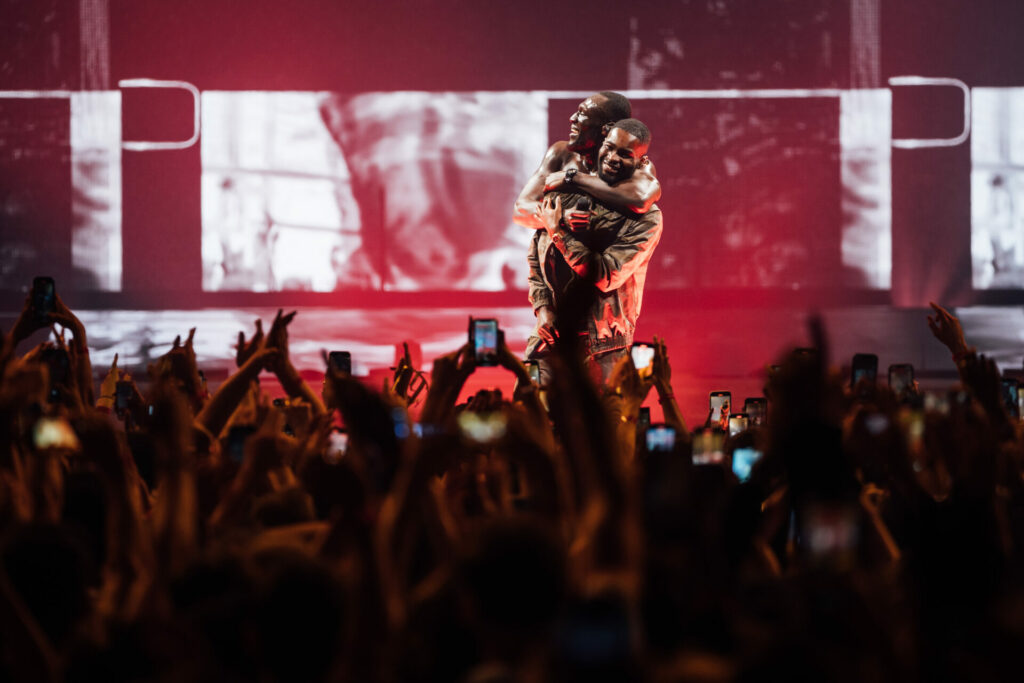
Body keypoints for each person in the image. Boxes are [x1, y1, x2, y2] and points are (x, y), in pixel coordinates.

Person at [525, 118, 663, 385]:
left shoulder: (646, 219)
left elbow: (605, 274)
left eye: (625, 154)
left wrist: (560, 233)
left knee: (598, 426)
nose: (612, 158)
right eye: (609, 147)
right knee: (531, 418)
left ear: (641, 162)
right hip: (548, 341)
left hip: (603, 351)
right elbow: (536, 258)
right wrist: (543, 309)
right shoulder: (566, 195)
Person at [513, 92, 662, 229]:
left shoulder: (634, 165)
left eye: (582, 113)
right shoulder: (561, 154)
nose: (572, 118)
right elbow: (520, 209)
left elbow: (641, 198)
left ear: (607, 129)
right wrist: (560, 217)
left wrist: (572, 178)